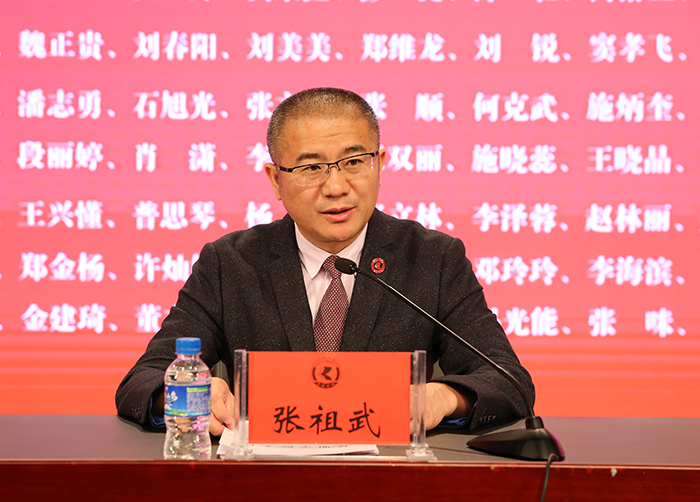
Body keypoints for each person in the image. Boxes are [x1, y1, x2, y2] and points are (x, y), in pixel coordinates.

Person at [116, 87, 534, 435]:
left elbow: (507, 381)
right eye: (311, 167)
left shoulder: (431, 258)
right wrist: (188, 396)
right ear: (275, 180)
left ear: (380, 164)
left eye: (353, 162)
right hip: (266, 481)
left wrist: (444, 396)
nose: (336, 187)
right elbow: (144, 380)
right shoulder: (231, 263)